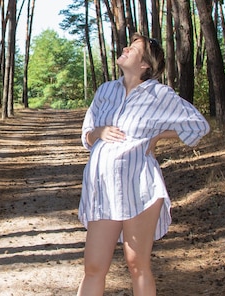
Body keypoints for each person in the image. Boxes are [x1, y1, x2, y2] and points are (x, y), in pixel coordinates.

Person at [76, 34, 210, 296]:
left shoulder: (159, 94)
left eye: (133, 47)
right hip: (102, 191)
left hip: (141, 189)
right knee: (93, 266)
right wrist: (99, 131)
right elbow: (86, 135)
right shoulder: (105, 91)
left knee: (137, 264)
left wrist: (161, 134)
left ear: (145, 64)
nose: (125, 48)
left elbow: (199, 125)